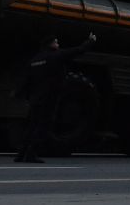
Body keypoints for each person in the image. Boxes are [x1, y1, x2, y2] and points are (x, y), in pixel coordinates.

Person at [13, 33, 97, 163]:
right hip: (49, 97)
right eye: (56, 42)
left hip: (35, 98)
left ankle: (20, 154)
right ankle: (31, 153)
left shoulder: (35, 60)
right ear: (50, 44)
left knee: (31, 126)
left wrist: (18, 93)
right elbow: (77, 51)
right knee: (43, 127)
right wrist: (90, 41)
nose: (58, 45)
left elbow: (26, 79)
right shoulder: (55, 55)